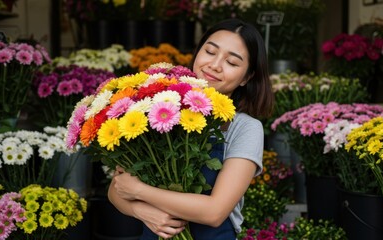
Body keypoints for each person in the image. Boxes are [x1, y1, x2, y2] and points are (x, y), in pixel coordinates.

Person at [108, 18, 274, 239]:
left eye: (232, 63)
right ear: (197, 53)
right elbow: (117, 188)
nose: (215, 65)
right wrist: (141, 211)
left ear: (247, 77)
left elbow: (214, 212)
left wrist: (141, 192)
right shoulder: (160, 109)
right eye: (210, 51)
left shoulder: (245, 128)